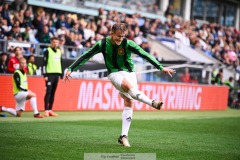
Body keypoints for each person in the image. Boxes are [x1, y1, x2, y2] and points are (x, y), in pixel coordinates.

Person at [64, 23, 176, 147]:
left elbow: (145, 54)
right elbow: (87, 55)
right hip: (114, 73)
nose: (120, 39)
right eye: (118, 36)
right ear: (111, 33)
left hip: (130, 73)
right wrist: (71, 68)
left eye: (123, 36)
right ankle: (152, 102)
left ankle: (123, 136)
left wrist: (160, 67)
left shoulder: (128, 43)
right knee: (128, 87)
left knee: (129, 101)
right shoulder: (102, 44)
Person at [43, 37, 63, 117]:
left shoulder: (59, 51)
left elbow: (60, 63)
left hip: (57, 74)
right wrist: (45, 75)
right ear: (51, 42)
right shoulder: (47, 51)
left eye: (57, 42)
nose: (55, 44)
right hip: (50, 74)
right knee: (48, 92)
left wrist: (61, 75)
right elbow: (44, 63)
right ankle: (46, 110)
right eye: (54, 42)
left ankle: (50, 109)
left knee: (53, 93)